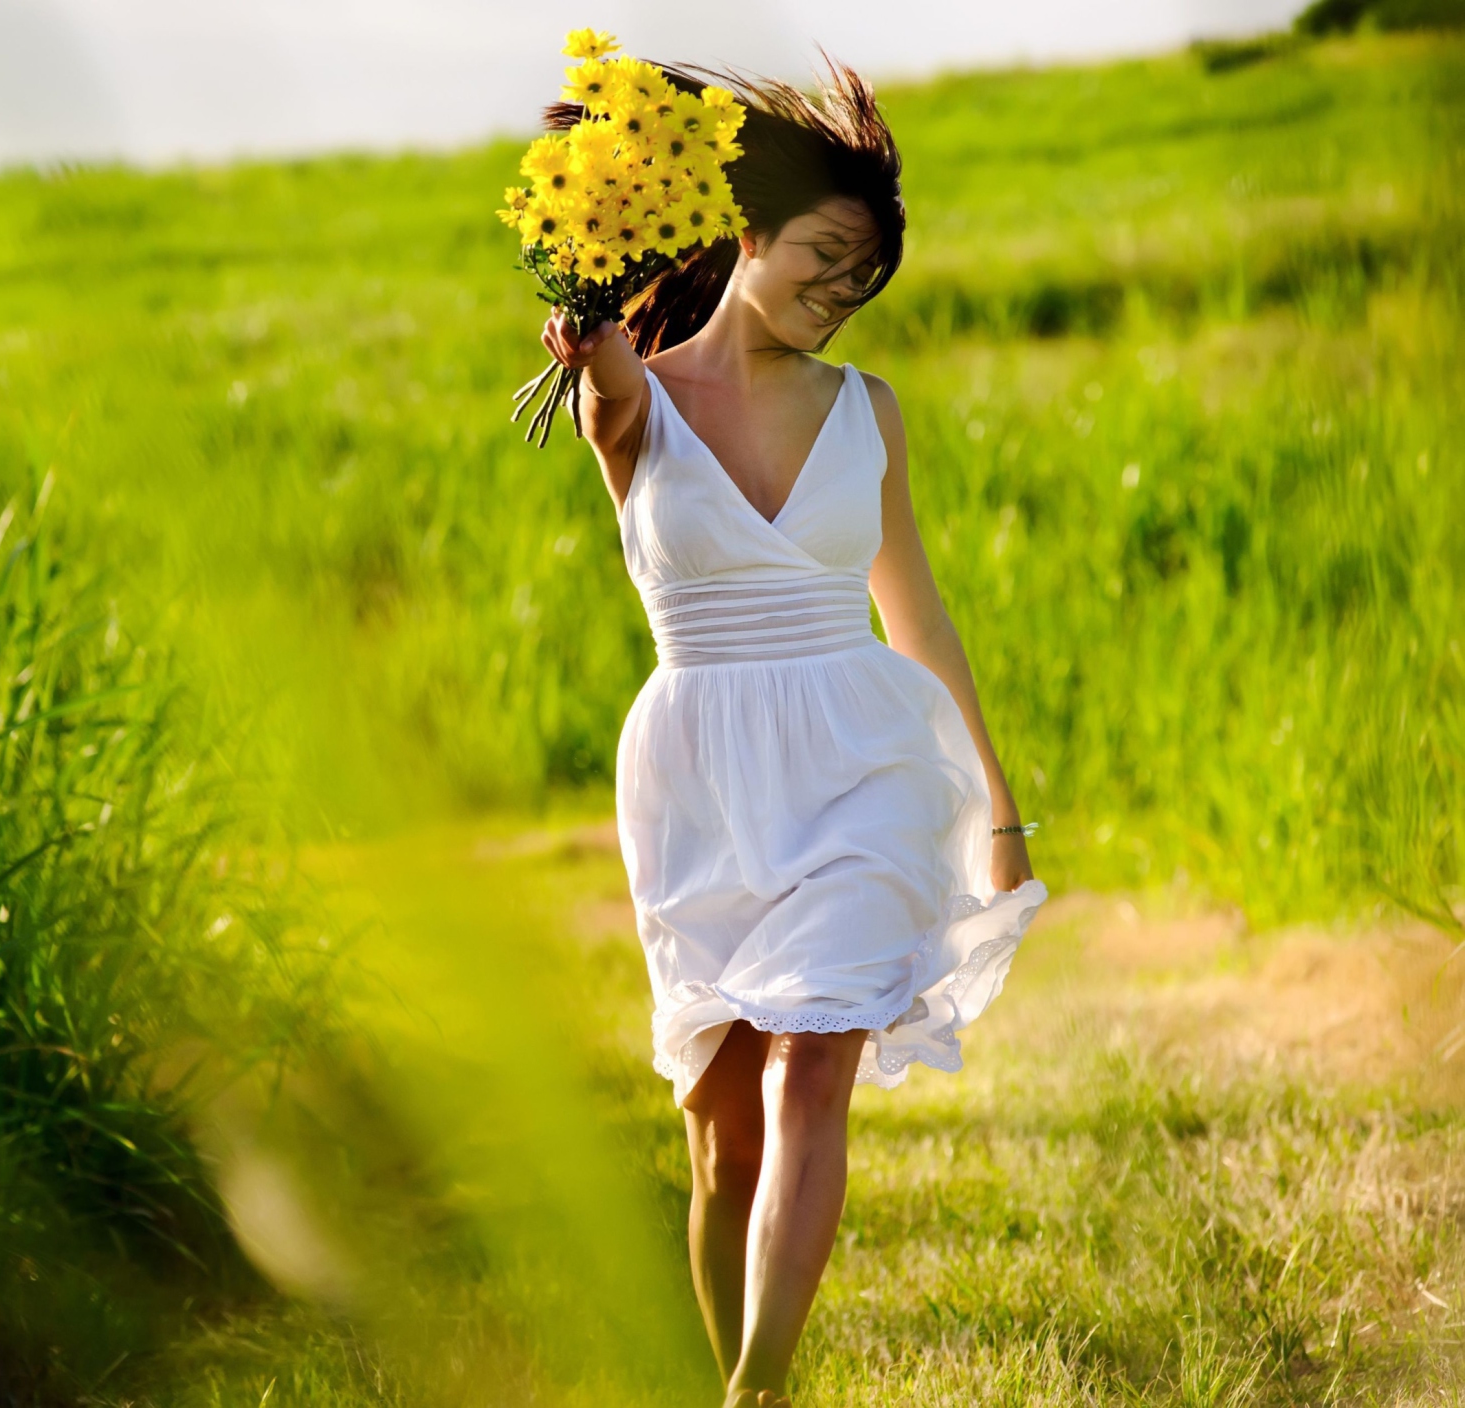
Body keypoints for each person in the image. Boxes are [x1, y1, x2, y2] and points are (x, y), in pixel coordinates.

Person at [539, 57, 1049, 1408]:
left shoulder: (864, 410)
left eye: (862, 280)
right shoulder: (632, 404)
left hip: (860, 762)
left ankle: (755, 1390)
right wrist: (585, 308)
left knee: (816, 1056)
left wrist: (995, 817)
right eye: (826, 259)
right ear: (745, 235)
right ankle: (745, 1380)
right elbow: (592, 362)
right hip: (702, 780)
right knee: (721, 1140)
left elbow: (920, 623)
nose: (840, 296)